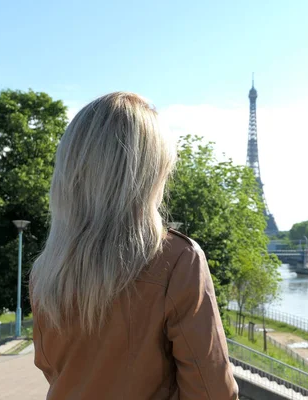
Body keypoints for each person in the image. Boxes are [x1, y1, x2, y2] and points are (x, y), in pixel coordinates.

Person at [29, 92, 238, 399]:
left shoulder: (44, 272)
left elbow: (51, 368)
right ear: (148, 175)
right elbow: (212, 392)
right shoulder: (177, 261)